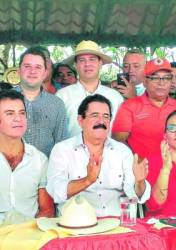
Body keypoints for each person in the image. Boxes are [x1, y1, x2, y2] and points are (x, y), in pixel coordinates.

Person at [46, 94, 150, 216]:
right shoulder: (62, 149)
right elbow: (56, 190)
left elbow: (135, 195)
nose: (101, 121)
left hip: (117, 224)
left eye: (106, 116)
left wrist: (139, 182)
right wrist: (88, 180)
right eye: (95, 115)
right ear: (80, 121)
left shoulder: (122, 151)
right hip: (77, 225)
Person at [112, 58, 176, 159]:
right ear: (145, 82)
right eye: (155, 78)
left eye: (166, 78)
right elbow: (118, 141)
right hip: (140, 169)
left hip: (172, 168)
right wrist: (136, 161)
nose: (161, 83)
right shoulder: (129, 106)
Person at [0, 90, 54, 224]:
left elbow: (47, 210)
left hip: (29, 236)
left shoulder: (40, 160)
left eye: (22, 113)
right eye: (10, 113)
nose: (18, 119)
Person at [56, 40, 123, 137]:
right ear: (75, 65)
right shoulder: (62, 95)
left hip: (107, 151)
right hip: (70, 151)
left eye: (92, 59)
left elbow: (119, 133)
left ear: (100, 63)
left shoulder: (115, 97)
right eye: (82, 60)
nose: (87, 64)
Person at [15, 46, 68, 156]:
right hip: (7, 170)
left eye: (38, 67)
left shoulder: (57, 104)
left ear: (45, 72)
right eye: (27, 66)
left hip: (46, 171)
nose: (32, 71)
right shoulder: (3, 101)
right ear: (18, 71)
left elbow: (61, 145)